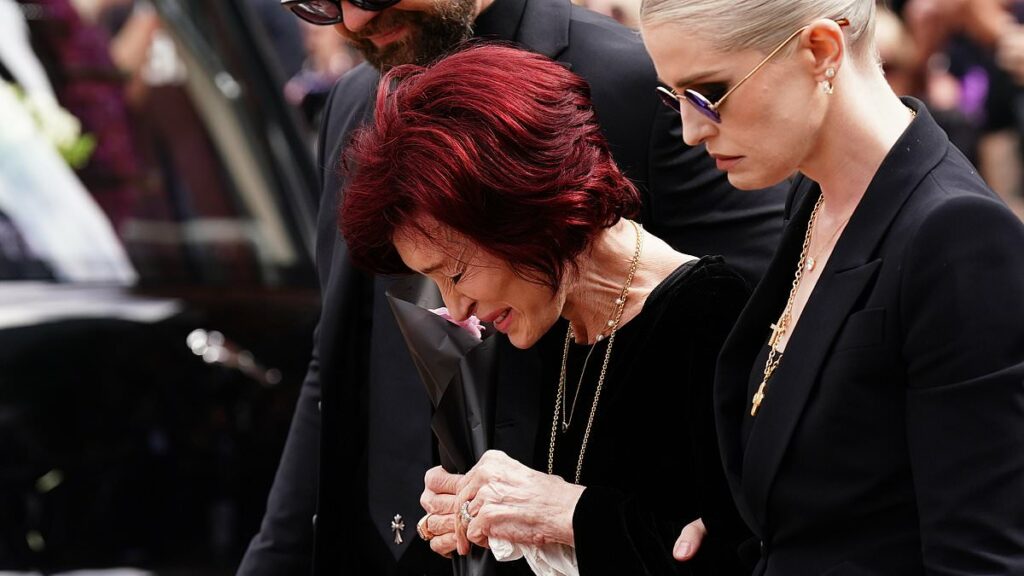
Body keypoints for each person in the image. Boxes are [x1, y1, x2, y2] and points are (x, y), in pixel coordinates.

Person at [238, 0, 788, 572]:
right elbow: (337, 358)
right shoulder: (354, 102)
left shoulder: (640, 84)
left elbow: (756, 351)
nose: (351, 22)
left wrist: (569, 515)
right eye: (321, 3)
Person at [639, 0, 1024, 574]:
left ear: (820, 51)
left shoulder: (957, 237)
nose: (692, 130)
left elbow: (980, 558)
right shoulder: (813, 197)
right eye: (674, 99)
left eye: (708, 93)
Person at [340, 43, 752, 575]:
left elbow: (731, 552)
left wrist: (567, 513)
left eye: (457, 272)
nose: (455, 305)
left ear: (525, 214)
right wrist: (480, 515)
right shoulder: (537, 324)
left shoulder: (711, 316)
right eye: (434, 281)